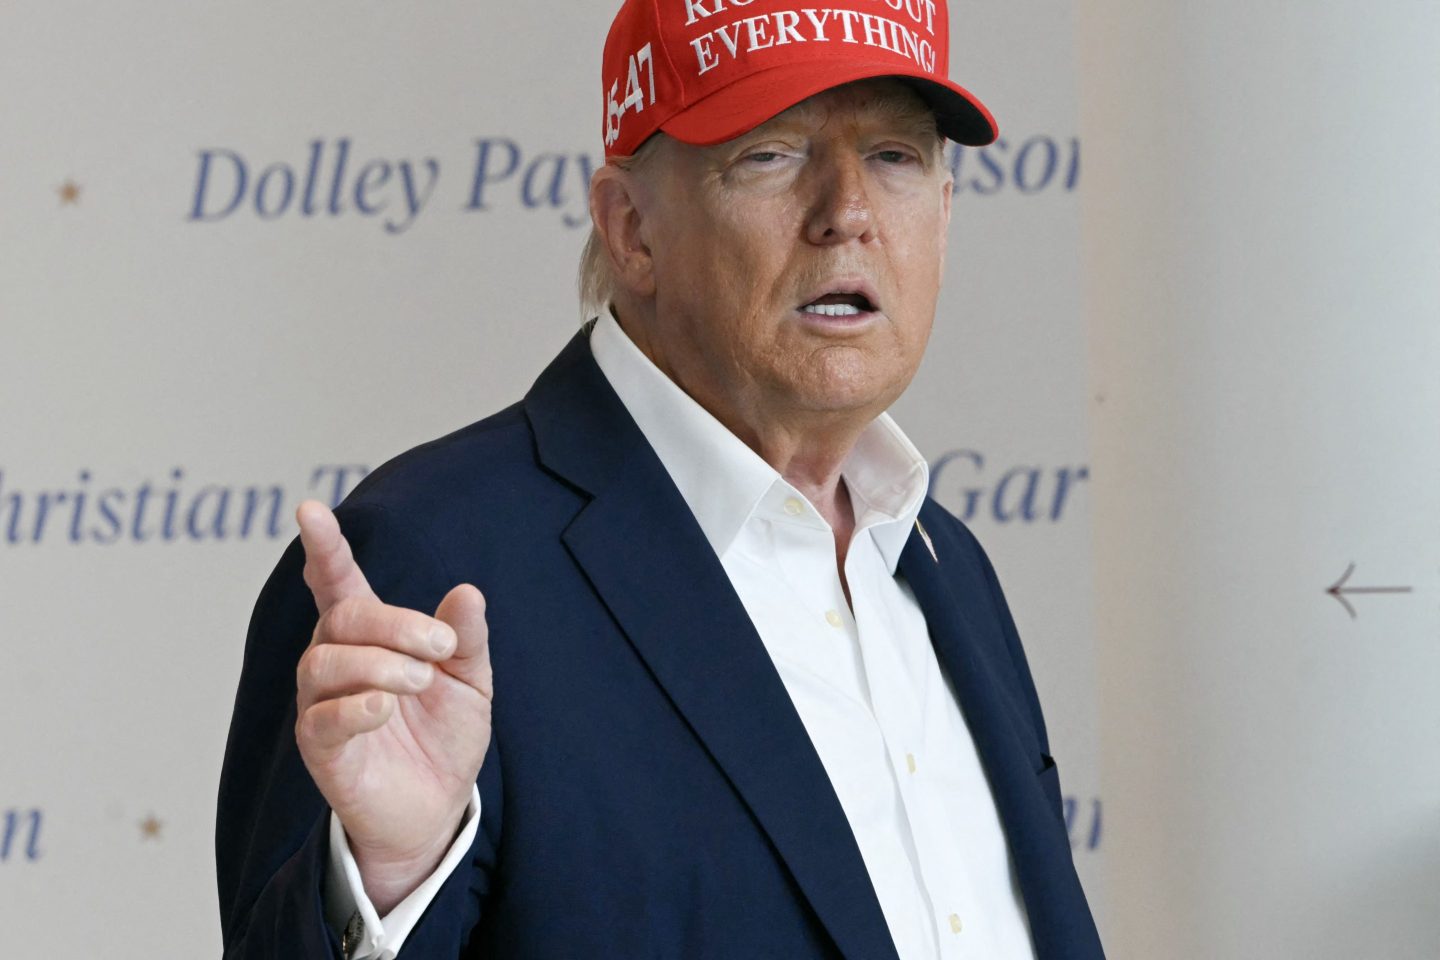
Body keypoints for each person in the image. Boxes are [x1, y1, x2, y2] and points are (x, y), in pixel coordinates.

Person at [216, 1, 1105, 957]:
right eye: (771, 153)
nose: (848, 212)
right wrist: (390, 877)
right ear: (631, 228)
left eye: (895, 155)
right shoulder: (429, 564)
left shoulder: (944, 564)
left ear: (945, 212)